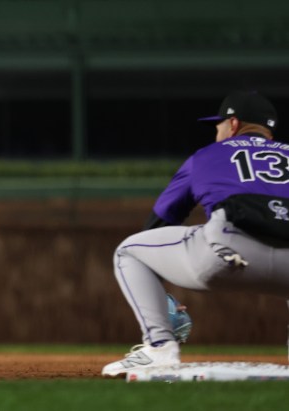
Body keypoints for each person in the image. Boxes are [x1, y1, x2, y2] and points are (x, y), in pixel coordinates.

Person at [102, 90, 289, 377]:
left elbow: (162, 220)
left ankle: (160, 347)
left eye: (219, 125)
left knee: (129, 251)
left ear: (234, 124)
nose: (217, 131)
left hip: (227, 250)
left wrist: (161, 288)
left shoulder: (208, 155)